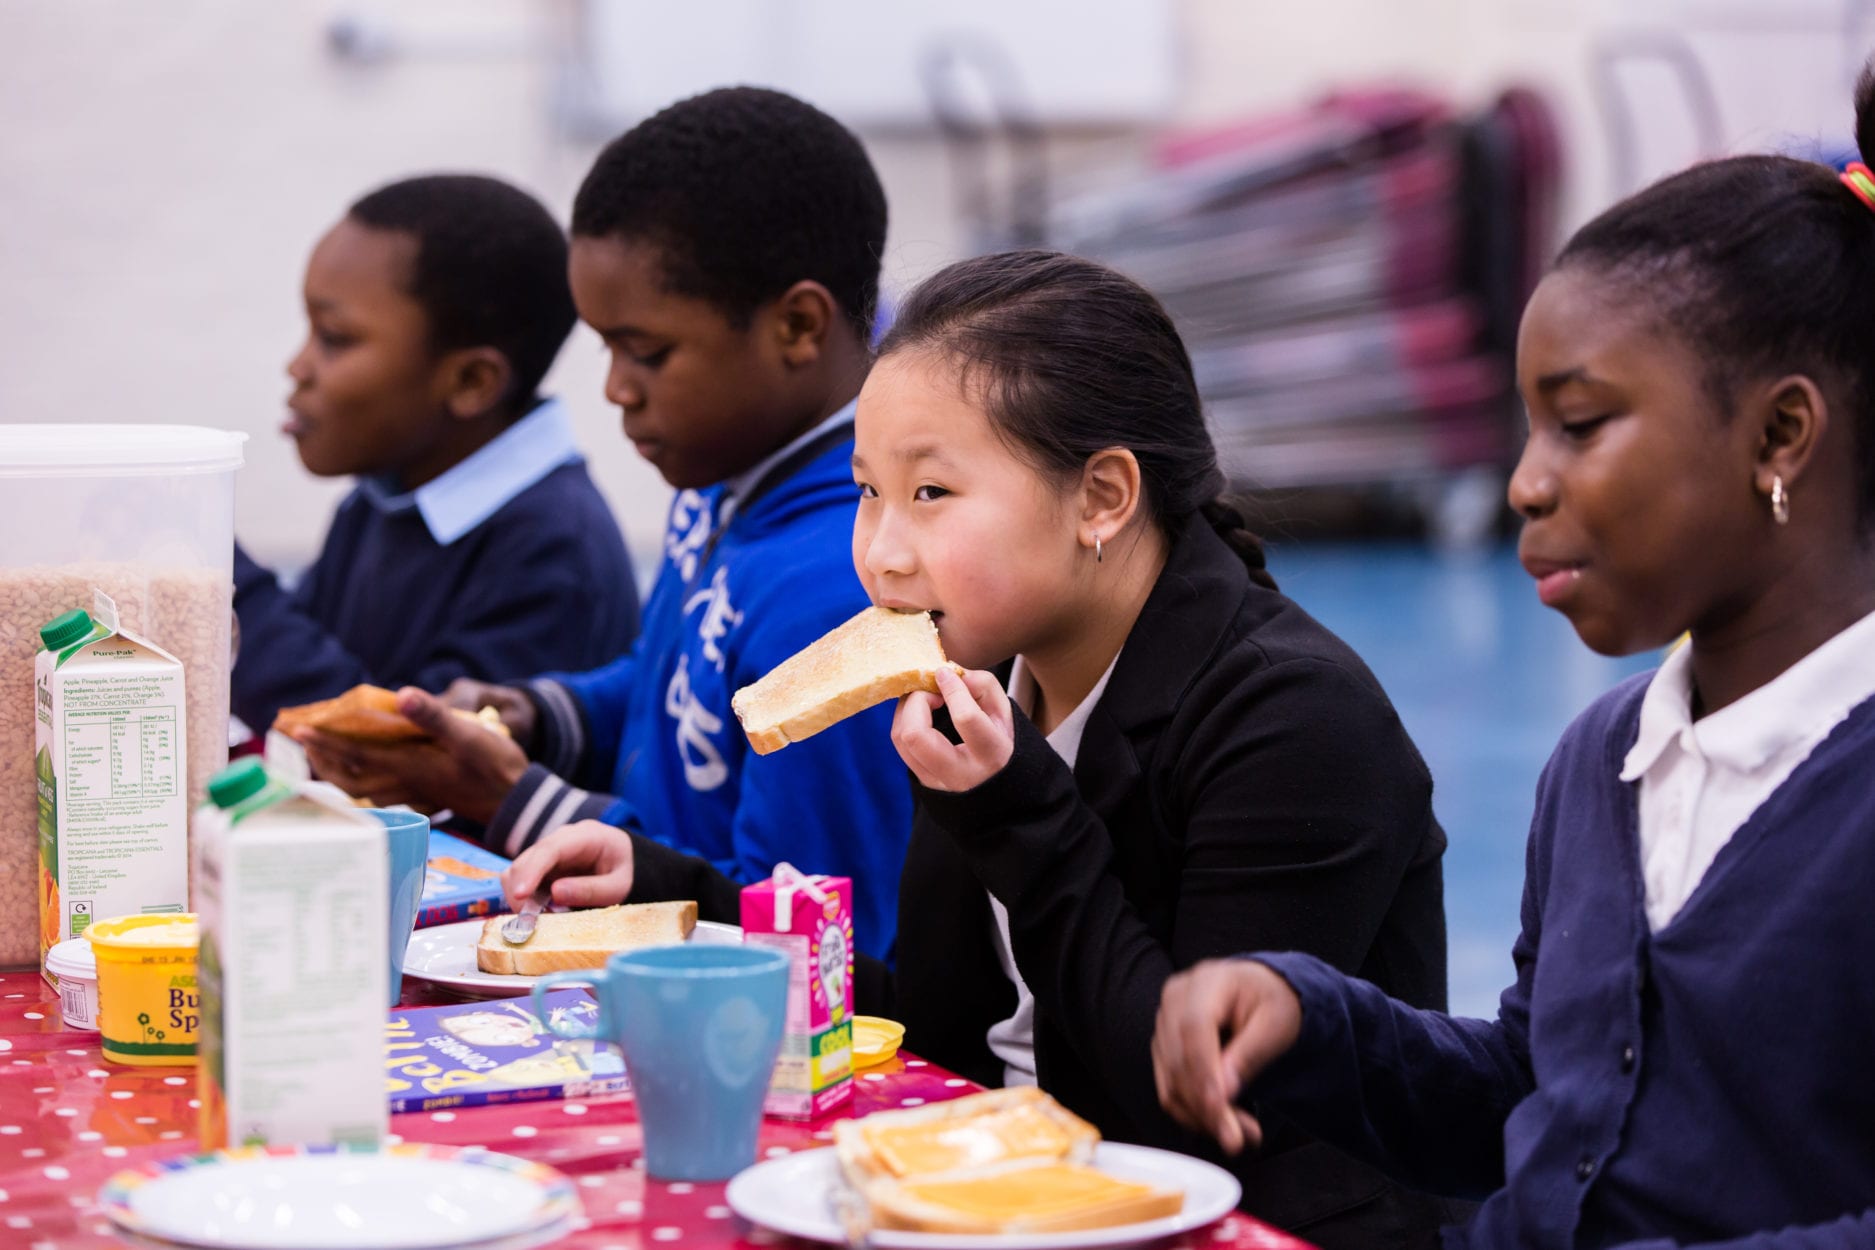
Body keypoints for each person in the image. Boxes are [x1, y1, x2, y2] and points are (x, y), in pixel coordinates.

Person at [498, 249, 1454, 1245]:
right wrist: (675, 892)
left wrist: (1018, 811)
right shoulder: (993, 682)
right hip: (997, 1187)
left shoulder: (1295, 721)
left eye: (932, 493)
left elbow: (1186, 1106)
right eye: (869, 491)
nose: (881, 549)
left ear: (1102, 498)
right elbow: (947, 1028)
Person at [1152, 77, 1875, 1249]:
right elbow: (1541, 1092)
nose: (1526, 482)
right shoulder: (1603, 758)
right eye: (1527, 428)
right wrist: (1314, 1018)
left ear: (1780, 435)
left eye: (1580, 424)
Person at [290, 89, 911, 963]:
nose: (617, 387)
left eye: (647, 352)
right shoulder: (722, 484)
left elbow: (814, 942)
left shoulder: (845, 582)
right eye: (607, 349)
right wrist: (540, 715)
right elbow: (678, 688)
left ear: (797, 325)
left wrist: (515, 797)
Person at [232, 174, 639, 734]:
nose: (297, 367)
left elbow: (400, 751)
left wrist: (223, 588)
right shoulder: (383, 495)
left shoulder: (554, 550)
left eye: (334, 338)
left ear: (471, 381)